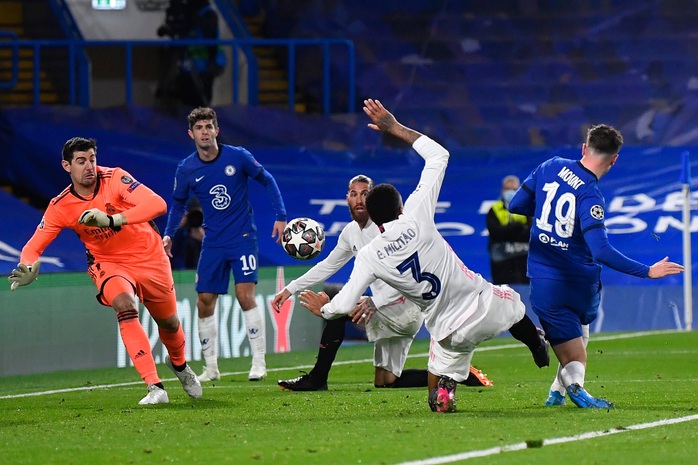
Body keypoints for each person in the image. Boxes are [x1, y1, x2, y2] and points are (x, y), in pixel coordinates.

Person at [298, 99, 549, 413]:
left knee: (442, 379)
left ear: (375, 222)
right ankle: (535, 342)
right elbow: (439, 155)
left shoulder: (370, 254)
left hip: (447, 332)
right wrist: (394, 128)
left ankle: (444, 394)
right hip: (484, 306)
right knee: (512, 302)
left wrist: (327, 309)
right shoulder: (417, 214)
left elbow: (346, 304)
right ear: (401, 207)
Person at [7, 137, 202, 405]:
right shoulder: (60, 206)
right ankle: (154, 386)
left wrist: (113, 219)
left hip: (149, 256)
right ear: (66, 166)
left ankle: (179, 366)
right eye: (81, 161)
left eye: (92, 159)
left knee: (169, 323)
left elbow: (158, 205)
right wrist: (28, 266)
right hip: (109, 262)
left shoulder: (115, 178)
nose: (89, 166)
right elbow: (33, 247)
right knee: (124, 305)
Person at [508, 124, 684, 408]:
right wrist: (647, 271)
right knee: (577, 346)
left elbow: (516, 205)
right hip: (578, 281)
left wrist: (547, 217)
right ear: (614, 160)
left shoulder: (550, 165)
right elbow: (600, 250)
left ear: (583, 148)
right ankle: (570, 388)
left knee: (574, 342)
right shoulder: (590, 196)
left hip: (543, 278)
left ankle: (558, 391)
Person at [272, 175, 493, 392]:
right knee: (386, 381)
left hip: (405, 308)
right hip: (383, 308)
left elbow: (406, 279)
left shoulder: (386, 232)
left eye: (365, 194)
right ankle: (456, 374)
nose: (359, 200)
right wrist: (290, 288)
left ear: (373, 199)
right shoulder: (351, 232)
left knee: (338, 311)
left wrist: (366, 302)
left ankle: (317, 379)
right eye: (353, 194)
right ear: (346, 198)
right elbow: (329, 265)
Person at [163, 106, 287, 382]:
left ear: (217, 130)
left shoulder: (238, 157)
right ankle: (211, 368)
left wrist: (280, 216)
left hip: (242, 237)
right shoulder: (187, 169)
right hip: (213, 242)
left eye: (209, 127)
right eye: (199, 128)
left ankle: (258, 363)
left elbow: (267, 180)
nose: (204, 132)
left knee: (245, 296)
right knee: (204, 301)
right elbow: (178, 204)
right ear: (191, 134)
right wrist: (169, 234)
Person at [156, 0, 226, 108]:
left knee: (201, 103)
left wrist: (195, 18)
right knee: (186, 101)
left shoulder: (208, 14)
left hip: (205, 68)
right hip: (187, 67)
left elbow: (209, 29)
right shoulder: (188, 16)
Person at [486, 174, 531, 285]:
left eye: (514, 189)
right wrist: (517, 228)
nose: (511, 192)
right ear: (502, 190)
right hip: (501, 260)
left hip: (523, 259)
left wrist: (508, 232)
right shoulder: (494, 209)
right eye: (508, 189)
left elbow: (530, 232)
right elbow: (495, 232)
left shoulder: (527, 208)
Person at [170, 199, 205, 270]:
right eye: (193, 215)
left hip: (201, 268)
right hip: (181, 270)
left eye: (198, 215)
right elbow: (171, 252)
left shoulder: (209, 230)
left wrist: (204, 239)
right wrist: (177, 227)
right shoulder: (182, 231)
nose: (196, 218)